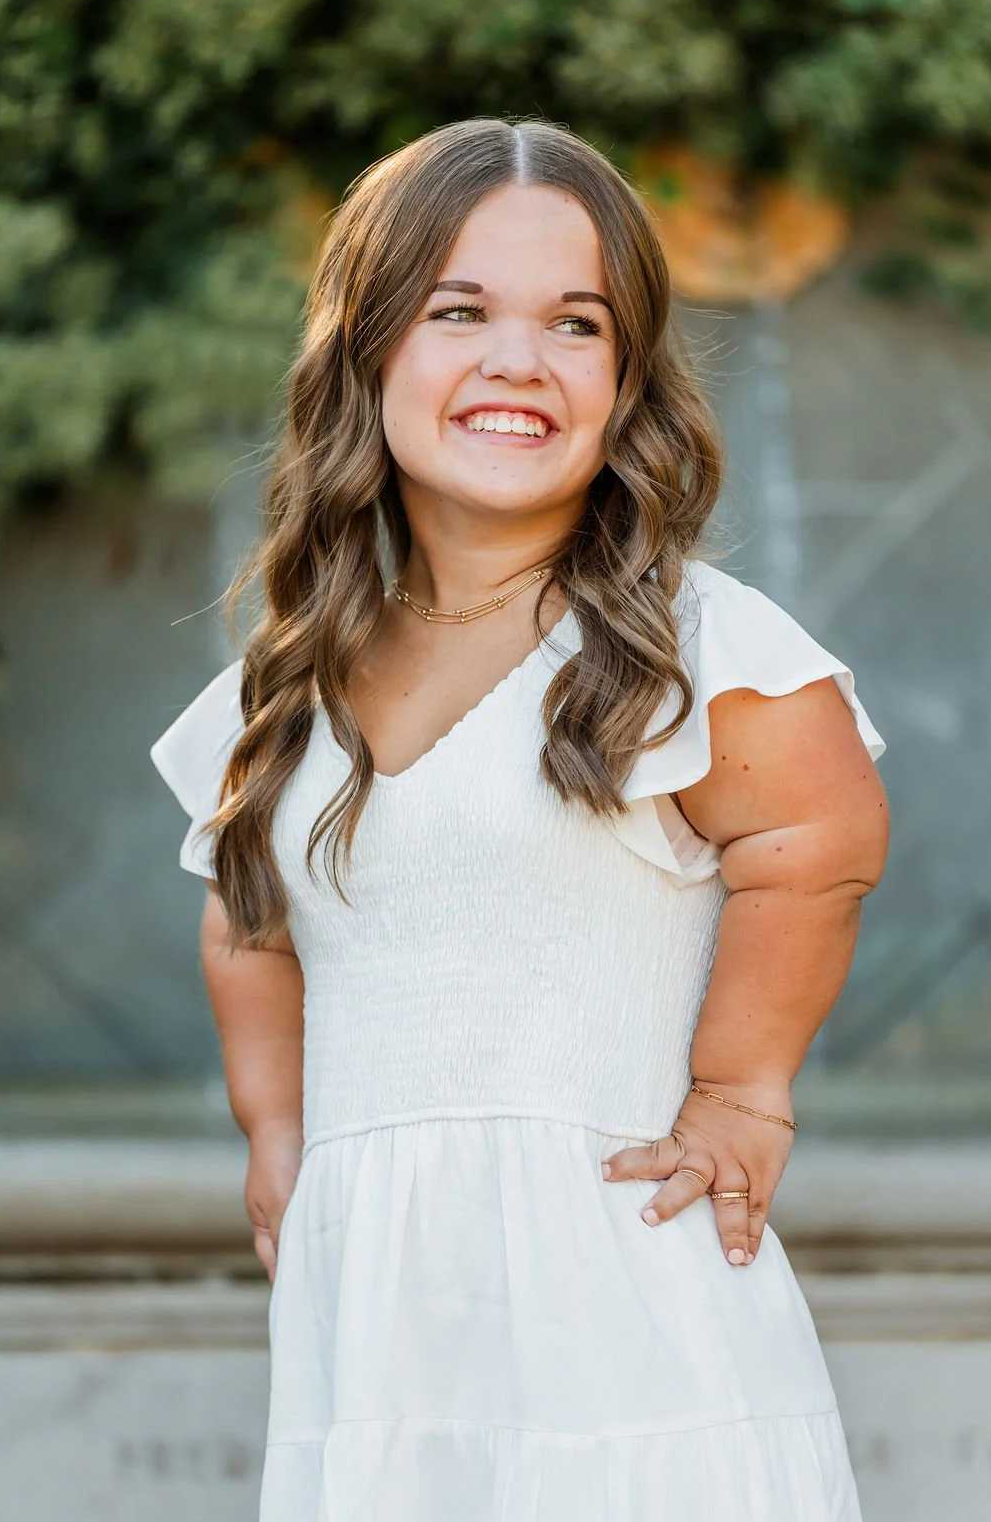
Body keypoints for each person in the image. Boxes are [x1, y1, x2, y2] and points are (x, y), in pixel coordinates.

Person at [151, 117, 888, 1520]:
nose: (517, 359)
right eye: (458, 312)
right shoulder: (291, 676)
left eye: (575, 323)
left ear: (626, 382)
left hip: (620, 1281)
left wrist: (740, 1090)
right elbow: (249, 914)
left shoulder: (683, 643)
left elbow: (818, 841)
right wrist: (276, 1130)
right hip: (381, 1314)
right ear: (365, 353)